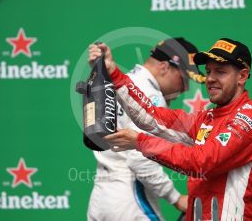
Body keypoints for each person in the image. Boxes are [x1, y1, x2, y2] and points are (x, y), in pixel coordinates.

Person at [89, 38, 252, 221]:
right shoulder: (206, 117)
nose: (210, 79)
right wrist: (113, 71)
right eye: (208, 71)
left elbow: (202, 162)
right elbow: (151, 115)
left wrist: (140, 142)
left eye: (220, 72)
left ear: (242, 76)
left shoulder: (251, 118)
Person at [87, 38, 205, 221]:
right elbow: (139, 160)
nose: (185, 87)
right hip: (130, 199)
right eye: (184, 78)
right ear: (165, 67)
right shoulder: (150, 95)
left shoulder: (122, 82)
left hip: (100, 197)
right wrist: (175, 198)